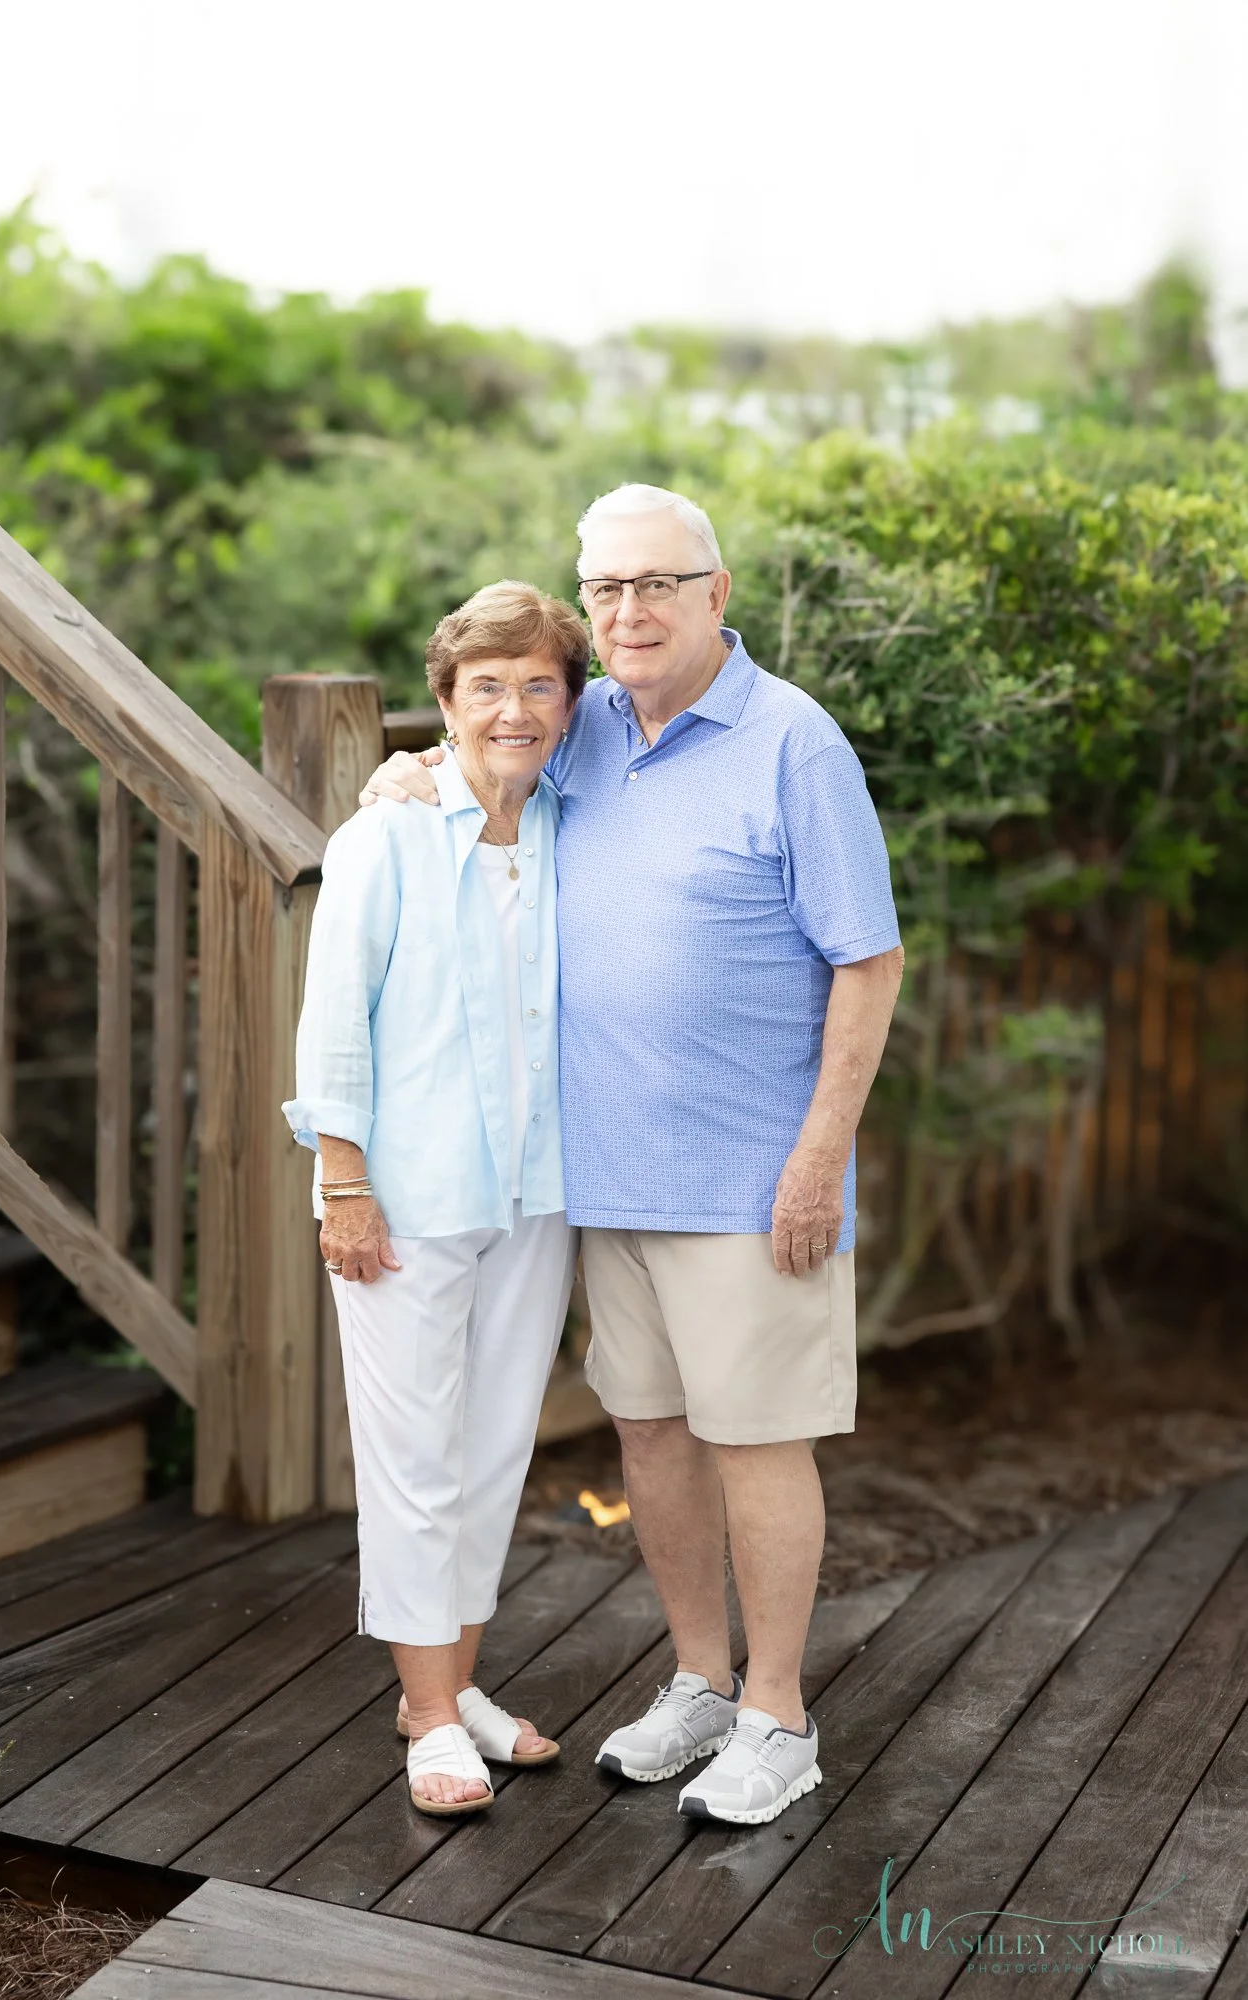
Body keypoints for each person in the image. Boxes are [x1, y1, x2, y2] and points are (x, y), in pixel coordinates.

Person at [360, 485, 905, 1827]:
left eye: (658, 584)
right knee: (650, 1438)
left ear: (717, 594)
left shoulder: (792, 744)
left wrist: (818, 1155)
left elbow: (869, 958)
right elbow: (481, 746)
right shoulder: (587, 723)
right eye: (606, 589)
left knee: (757, 1440)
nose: (629, 611)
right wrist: (408, 768)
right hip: (603, 1178)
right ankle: (702, 1682)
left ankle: (779, 1714)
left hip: (746, 1179)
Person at [283, 580, 589, 1817]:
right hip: (402, 1194)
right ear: (446, 701)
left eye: (537, 684)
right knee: (412, 1459)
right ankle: (422, 1711)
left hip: (538, 1190)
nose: (513, 708)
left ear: (571, 701)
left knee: (493, 1447)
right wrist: (340, 1181)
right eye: (484, 686)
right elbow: (332, 1023)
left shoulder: (579, 820)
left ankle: (457, 1681)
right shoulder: (387, 834)